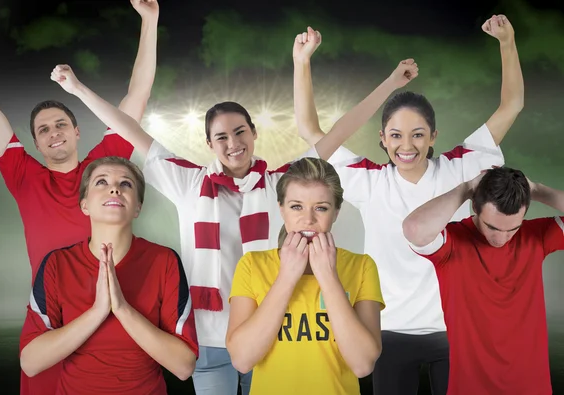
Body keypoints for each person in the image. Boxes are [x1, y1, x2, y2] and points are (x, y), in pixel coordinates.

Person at [47, 30, 354, 391]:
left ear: (254, 134)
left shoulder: (280, 184)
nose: (233, 143)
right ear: (209, 144)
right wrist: (78, 89)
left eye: (240, 132)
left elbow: (329, 139)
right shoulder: (190, 183)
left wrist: (302, 63)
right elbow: (128, 128)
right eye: (221, 137)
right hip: (208, 337)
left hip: (269, 328)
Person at [294, 15, 523, 394]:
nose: (407, 145)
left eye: (418, 135)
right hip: (388, 331)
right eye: (396, 135)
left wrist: (507, 41)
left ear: (433, 135)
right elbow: (311, 132)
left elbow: (511, 105)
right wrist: (302, 63)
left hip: (457, 330)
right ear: (382, 139)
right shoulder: (369, 180)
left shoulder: (460, 167)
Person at [0, 1, 159, 393]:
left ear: (76, 132)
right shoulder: (24, 176)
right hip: (52, 316)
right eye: (43, 130)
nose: (53, 133)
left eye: (60, 125)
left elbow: (136, 97)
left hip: (113, 309)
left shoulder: (102, 168)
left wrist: (150, 21)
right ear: (34, 142)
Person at [19, 156, 199, 395]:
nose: (114, 188)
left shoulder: (164, 261)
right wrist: (98, 311)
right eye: (101, 182)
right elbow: (30, 363)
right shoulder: (57, 264)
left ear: (137, 207)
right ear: (84, 205)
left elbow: (184, 366)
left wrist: (122, 308)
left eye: (126, 184)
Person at [225, 157, 385, 395]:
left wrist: (328, 277)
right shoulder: (251, 265)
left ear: (336, 212)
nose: (308, 219)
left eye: (321, 207)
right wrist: (287, 277)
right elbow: (242, 360)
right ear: (281, 209)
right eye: (296, 206)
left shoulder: (362, 266)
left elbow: (362, 365)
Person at [402, 167, 564, 395]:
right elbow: (414, 228)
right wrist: (467, 188)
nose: (501, 238)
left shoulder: (536, 236)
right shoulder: (452, 243)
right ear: (475, 207)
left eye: (513, 229)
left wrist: (535, 189)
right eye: (492, 227)